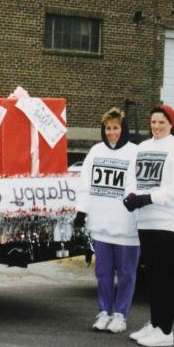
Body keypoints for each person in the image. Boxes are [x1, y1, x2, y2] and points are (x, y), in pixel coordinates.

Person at [122, 104, 174, 347]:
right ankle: (155, 324)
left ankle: (166, 331)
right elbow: (131, 177)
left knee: (166, 277)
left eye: (161, 123)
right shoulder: (143, 148)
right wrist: (131, 196)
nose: (156, 127)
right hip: (147, 221)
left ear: (171, 124)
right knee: (153, 278)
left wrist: (148, 198)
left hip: (170, 223)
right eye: (153, 122)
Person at [74, 108, 139, 333]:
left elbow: (136, 185)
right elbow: (85, 183)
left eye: (116, 128)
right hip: (101, 224)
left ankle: (120, 314)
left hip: (126, 225)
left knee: (126, 273)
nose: (111, 133)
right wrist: (81, 210)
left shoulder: (134, 152)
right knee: (103, 272)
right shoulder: (95, 151)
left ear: (123, 129)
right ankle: (104, 311)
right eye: (108, 128)